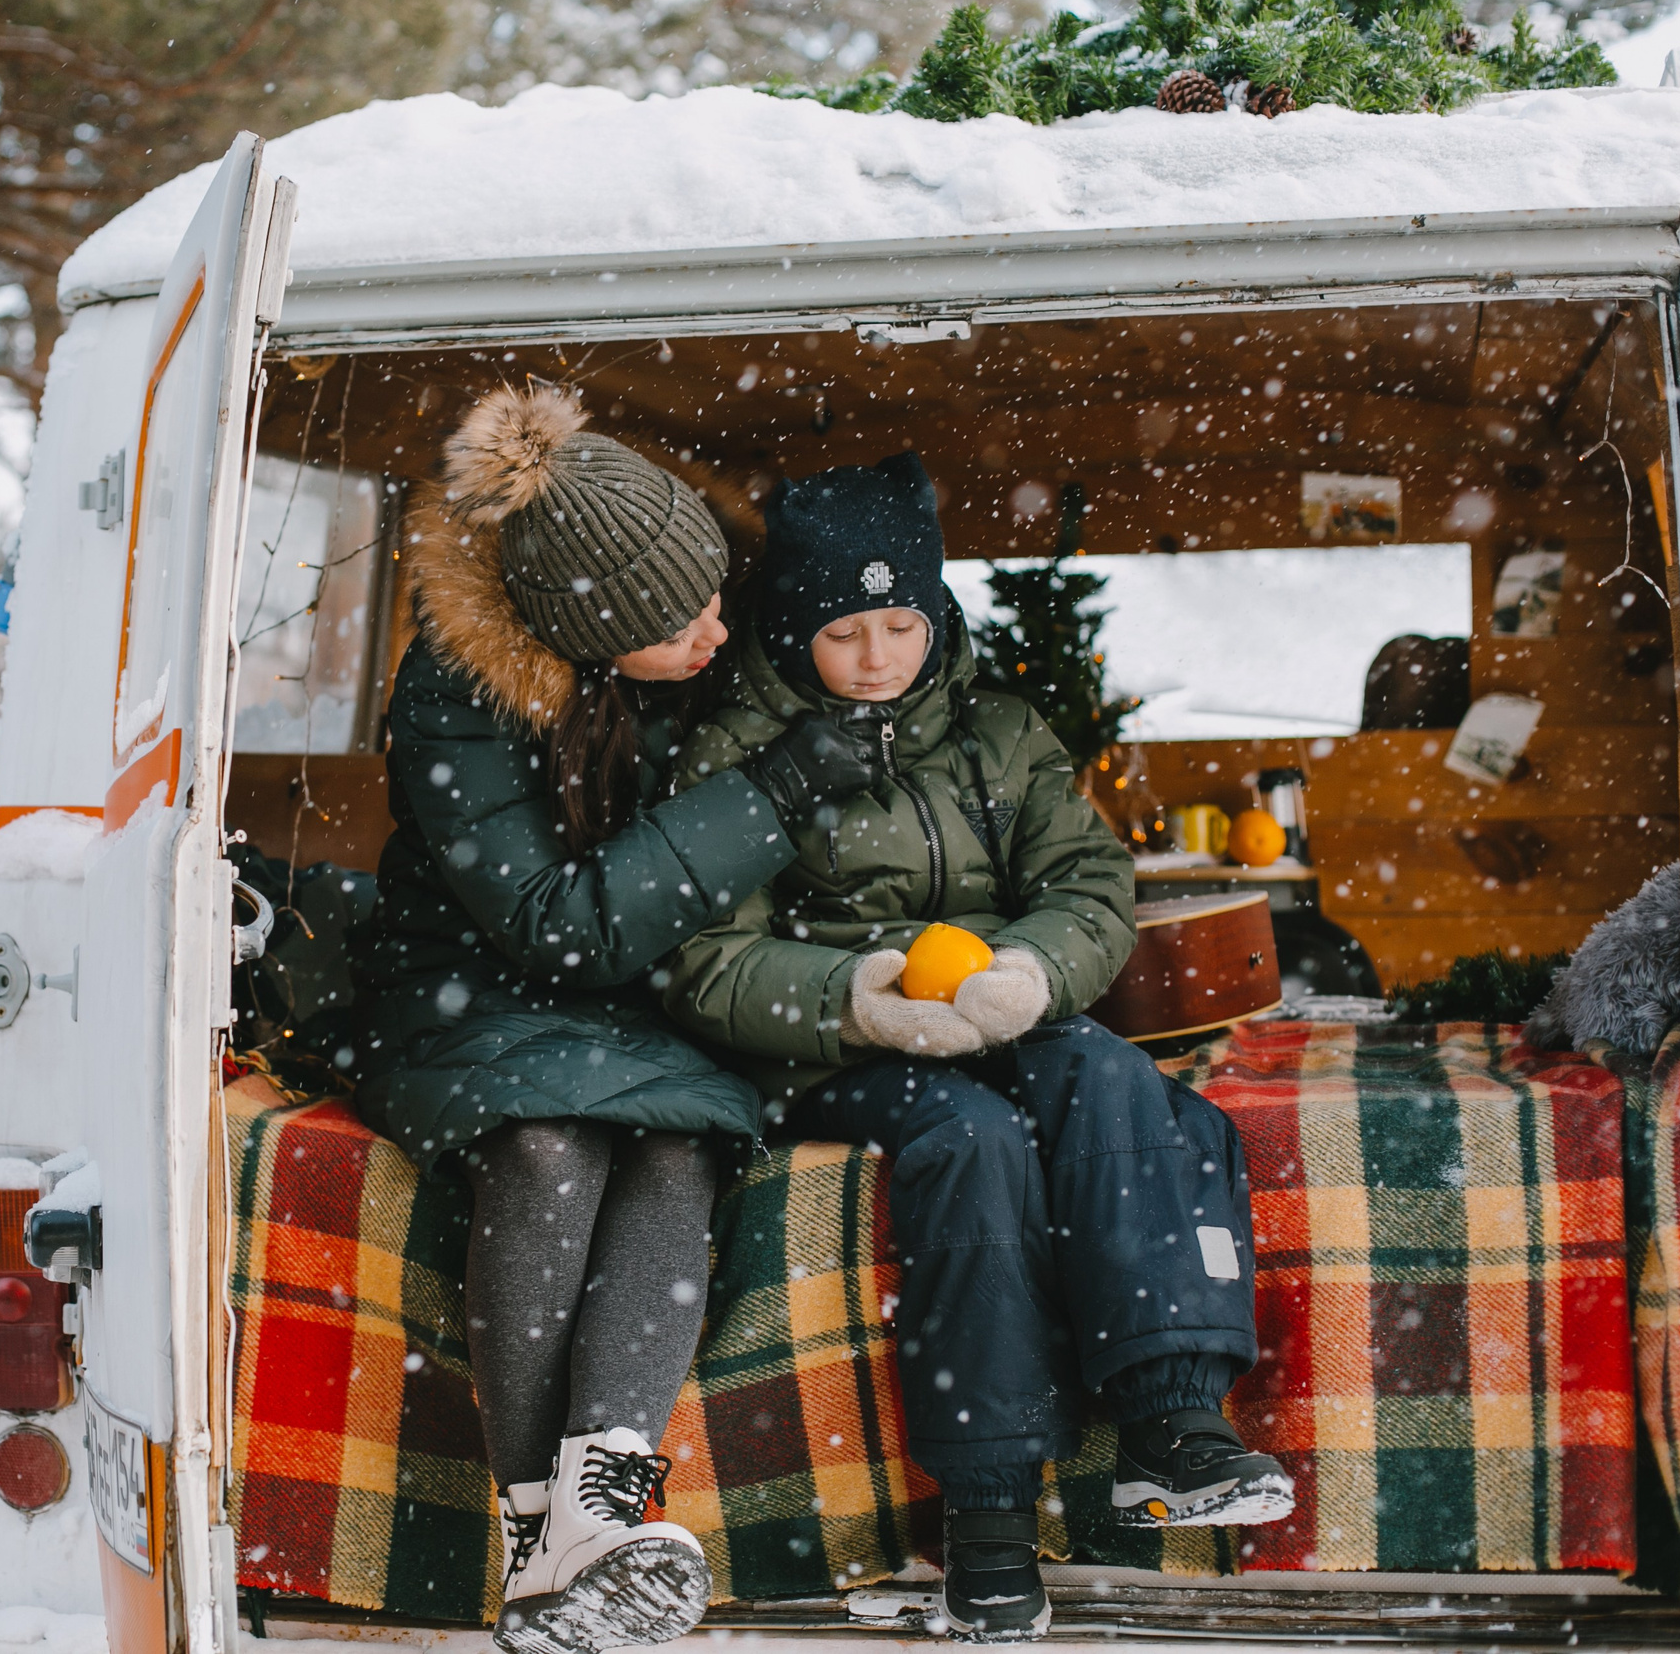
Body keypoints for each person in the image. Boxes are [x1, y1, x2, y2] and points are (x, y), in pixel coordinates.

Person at [659, 452, 1292, 1643]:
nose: (877, 655)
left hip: (996, 1011)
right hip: (838, 1047)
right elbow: (704, 959)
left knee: (1116, 1080)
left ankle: (1169, 1419)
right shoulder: (736, 754)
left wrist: (1033, 973)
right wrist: (855, 995)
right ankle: (990, 1520)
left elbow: (1088, 884)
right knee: (974, 1141)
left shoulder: (999, 734)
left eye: (901, 622)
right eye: (845, 631)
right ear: (794, 632)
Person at [350, 385, 874, 1654]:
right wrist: (769, 792)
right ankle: (549, 1532)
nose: (713, 631)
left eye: (710, 598)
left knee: (680, 1140)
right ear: (593, 630)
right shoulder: (454, 696)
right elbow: (553, 924)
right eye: (678, 617)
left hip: (622, 999)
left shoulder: (684, 667)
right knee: (545, 1144)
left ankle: (593, 1513)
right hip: (460, 998)